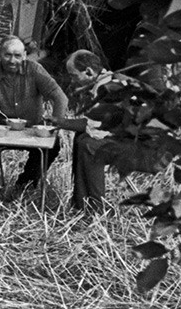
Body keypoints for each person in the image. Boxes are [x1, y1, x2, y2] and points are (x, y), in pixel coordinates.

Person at [61, 49, 166, 212]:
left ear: (88, 72)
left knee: (90, 146)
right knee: (82, 139)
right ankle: (81, 204)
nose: (72, 80)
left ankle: (95, 209)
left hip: (150, 152)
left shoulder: (110, 88)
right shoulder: (104, 83)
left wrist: (58, 122)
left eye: (74, 75)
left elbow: (94, 126)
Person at [0, 36, 68, 191]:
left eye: (17, 56)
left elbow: (60, 98)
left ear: (24, 55)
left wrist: (55, 126)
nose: (12, 60)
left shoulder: (35, 69)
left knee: (53, 146)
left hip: (33, 128)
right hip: (0, 130)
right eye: (7, 55)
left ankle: (25, 184)